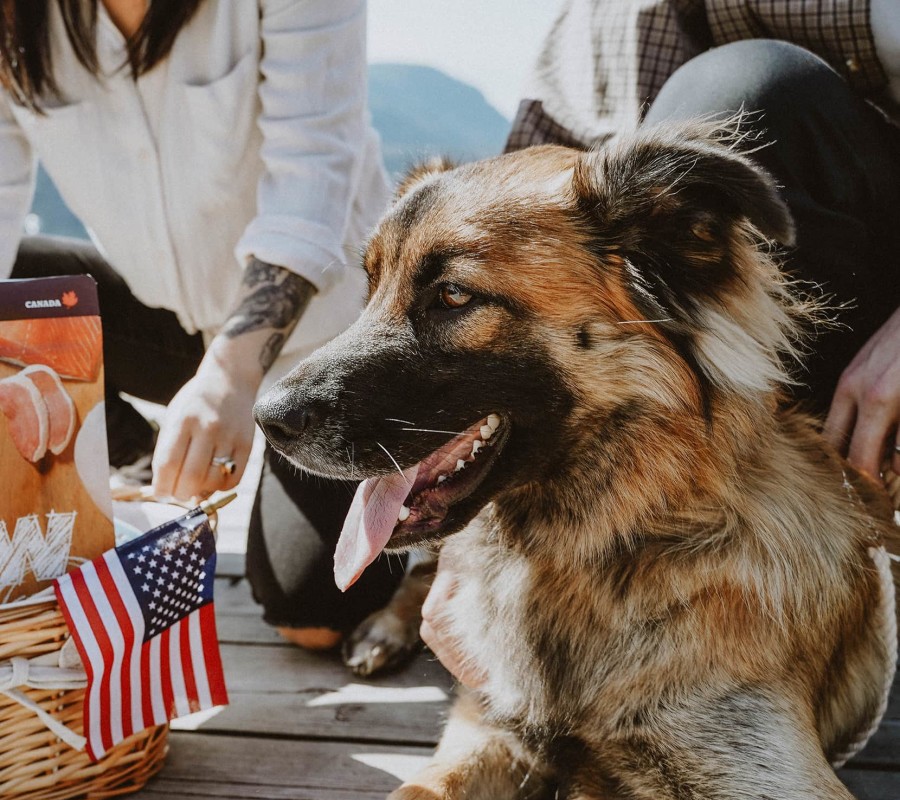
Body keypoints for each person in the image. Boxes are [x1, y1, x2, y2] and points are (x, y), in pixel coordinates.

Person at [421, 0, 900, 686]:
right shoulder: (596, 24)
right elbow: (501, 224)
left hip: (852, 296)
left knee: (749, 90)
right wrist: (470, 529)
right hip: (680, 345)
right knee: (304, 588)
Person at [0, 0, 402, 650]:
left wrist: (230, 374)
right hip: (172, 319)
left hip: (326, 345)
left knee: (313, 617)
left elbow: (314, 177)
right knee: (11, 288)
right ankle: (139, 462)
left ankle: (398, 486)